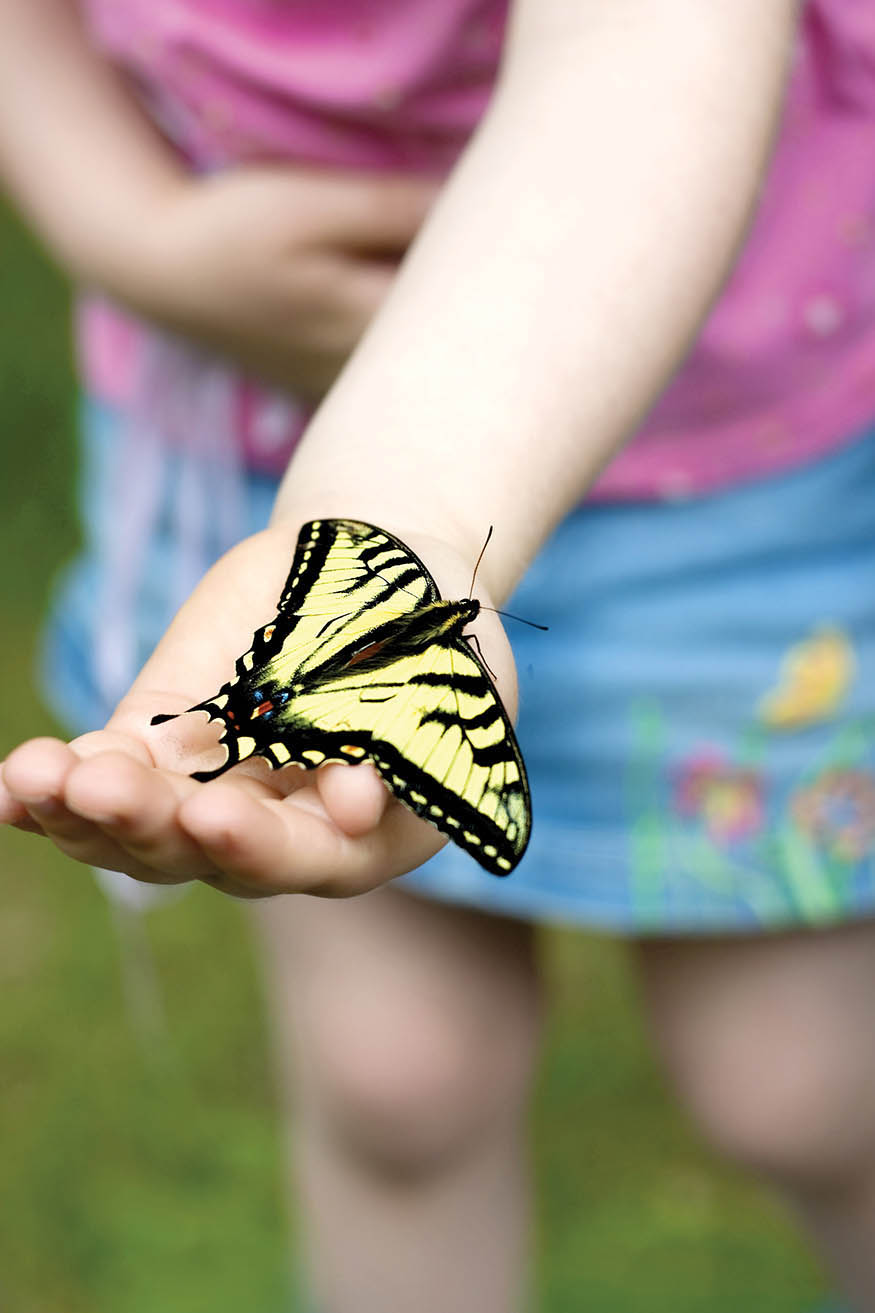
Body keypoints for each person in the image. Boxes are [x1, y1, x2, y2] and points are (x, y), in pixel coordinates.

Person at [1, 0, 874, 1309]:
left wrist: (402, 521)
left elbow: (646, 52)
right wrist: (128, 222)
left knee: (798, 1082)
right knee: (392, 1069)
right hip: (262, 394)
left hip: (735, 430)